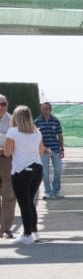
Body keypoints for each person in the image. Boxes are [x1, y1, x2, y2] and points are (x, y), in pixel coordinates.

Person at [3, 106, 44, 246]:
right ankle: (34, 232)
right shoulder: (37, 132)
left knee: (24, 203)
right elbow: (41, 150)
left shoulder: (12, 131)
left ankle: (27, 234)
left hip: (21, 170)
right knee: (30, 201)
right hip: (37, 168)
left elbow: (8, 153)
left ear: (15, 117)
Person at [34, 102, 64, 199]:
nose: (45, 111)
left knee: (58, 171)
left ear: (50, 110)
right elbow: (35, 137)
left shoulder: (56, 121)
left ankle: (56, 191)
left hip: (55, 149)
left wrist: (62, 148)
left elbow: (60, 136)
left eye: (47, 109)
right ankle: (47, 191)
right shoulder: (37, 122)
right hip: (43, 151)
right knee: (45, 172)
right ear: (41, 110)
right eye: (43, 109)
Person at [0, 94, 17, 238]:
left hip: (7, 159)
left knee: (8, 194)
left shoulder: (12, 120)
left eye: (3, 104)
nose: (1, 107)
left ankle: (6, 228)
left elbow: (16, 140)